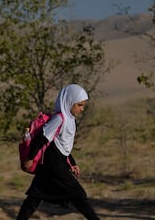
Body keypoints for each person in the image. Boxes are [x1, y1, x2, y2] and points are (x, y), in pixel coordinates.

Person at [16, 84, 100, 220]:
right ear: (69, 102)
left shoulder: (70, 120)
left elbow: (63, 146)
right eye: (79, 105)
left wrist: (72, 163)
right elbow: (42, 138)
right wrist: (30, 158)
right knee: (77, 194)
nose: (82, 109)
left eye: (83, 105)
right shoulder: (59, 118)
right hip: (53, 164)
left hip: (54, 163)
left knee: (34, 198)